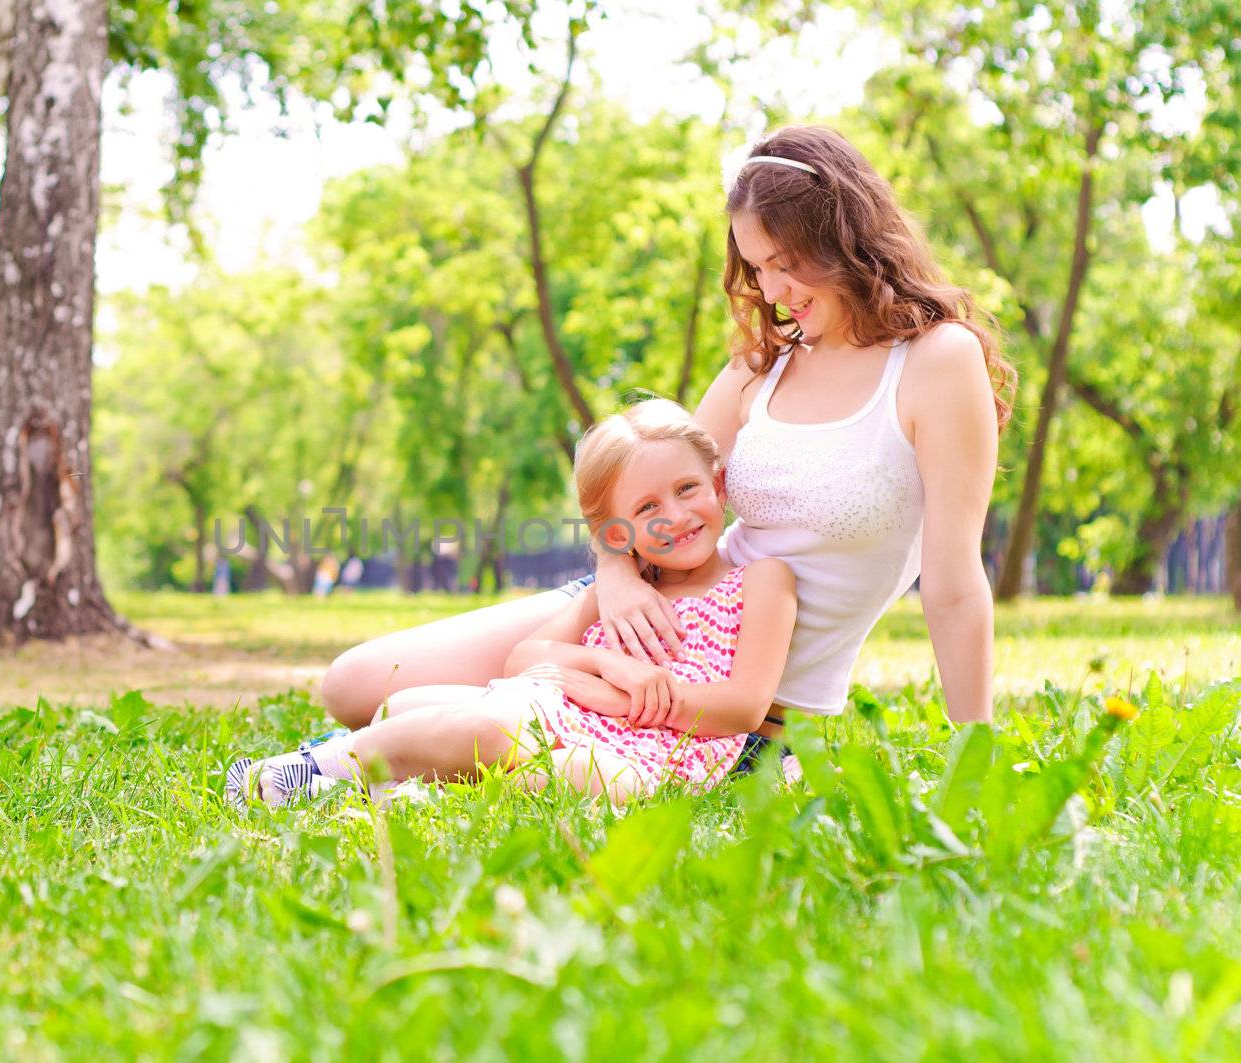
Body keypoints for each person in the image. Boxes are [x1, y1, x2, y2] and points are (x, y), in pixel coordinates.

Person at [318, 125, 1014, 745]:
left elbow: (952, 583)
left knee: (428, 720)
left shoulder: (936, 362)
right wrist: (618, 579)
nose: (772, 293)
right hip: (645, 609)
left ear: (841, 237)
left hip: (729, 685)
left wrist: (974, 753)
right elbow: (638, 487)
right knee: (352, 686)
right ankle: (508, 710)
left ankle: (504, 717)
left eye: (785, 263)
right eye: (757, 268)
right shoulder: (762, 365)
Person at [225, 401, 797, 806]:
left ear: (718, 486)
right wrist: (605, 666)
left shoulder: (761, 581)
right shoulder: (618, 592)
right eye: (647, 509)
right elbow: (525, 659)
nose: (675, 516)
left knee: (532, 756)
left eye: (687, 489)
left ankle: (315, 773)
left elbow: (744, 708)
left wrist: (609, 698)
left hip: (659, 757)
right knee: (411, 703)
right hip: (563, 715)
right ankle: (367, 780)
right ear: (616, 533)